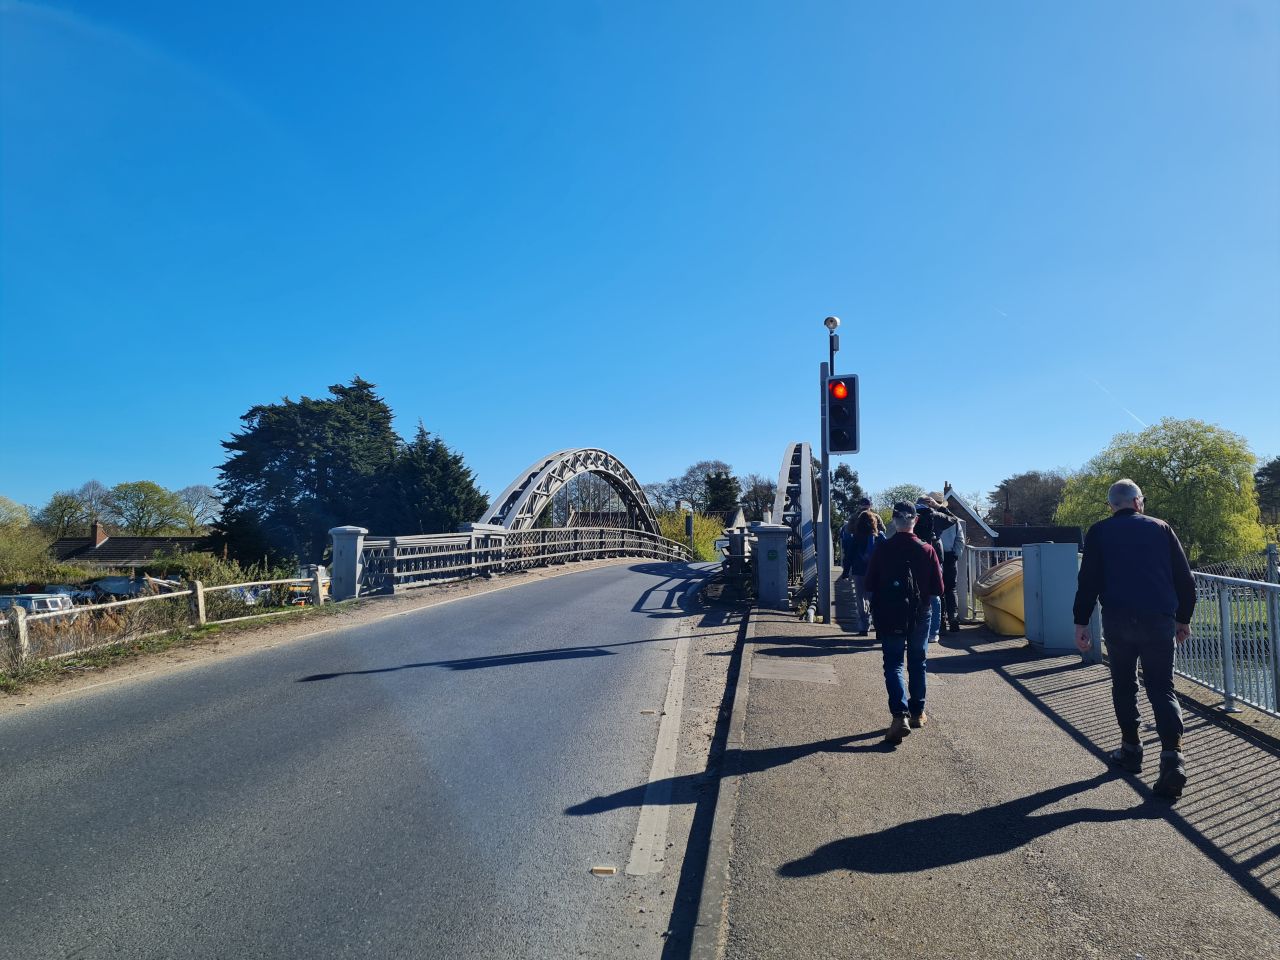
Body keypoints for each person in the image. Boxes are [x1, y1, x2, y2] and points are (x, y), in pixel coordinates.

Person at [1072, 479, 1196, 800]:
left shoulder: (1099, 532)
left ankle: (1131, 750)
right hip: (1159, 620)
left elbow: (1088, 581)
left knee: (1124, 685)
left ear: (1111, 505)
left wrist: (1080, 622)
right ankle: (1172, 760)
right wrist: (1184, 618)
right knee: (1162, 687)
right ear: (1139, 502)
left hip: (1118, 620)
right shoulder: (1161, 528)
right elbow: (1184, 578)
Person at [866, 501, 945, 744]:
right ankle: (918, 713)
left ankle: (899, 716)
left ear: (893, 520)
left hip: (891, 614)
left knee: (893, 664)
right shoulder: (927, 549)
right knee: (918, 662)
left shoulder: (883, 549)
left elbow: (869, 585)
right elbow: (938, 589)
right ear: (915, 521)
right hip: (920, 612)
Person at [914, 496, 957, 642]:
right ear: (930, 503)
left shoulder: (912, 515)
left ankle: (915, 627)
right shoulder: (936, 516)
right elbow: (953, 519)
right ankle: (934, 632)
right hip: (935, 554)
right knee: (935, 593)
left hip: (915, 554)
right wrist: (939, 506)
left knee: (915, 591)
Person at [847, 509, 887, 636]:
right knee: (876, 598)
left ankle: (863, 626)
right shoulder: (880, 537)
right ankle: (879, 626)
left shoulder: (855, 538)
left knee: (861, 599)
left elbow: (849, 556)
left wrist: (846, 571)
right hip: (876, 572)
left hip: (859, 571)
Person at [937, 508, 967, 633]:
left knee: (937, 589)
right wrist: (955, 554)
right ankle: (953, 617)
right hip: (950, 555)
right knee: (950, 588)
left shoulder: (931, 517)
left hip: (935, 555)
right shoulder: (954, 521)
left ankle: (941, 620)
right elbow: (960, 540)